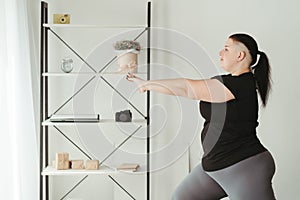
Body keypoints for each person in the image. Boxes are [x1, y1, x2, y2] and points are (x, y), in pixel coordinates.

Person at [126, 33, 276, 200]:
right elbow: (188, 88)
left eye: (226, 49)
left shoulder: (240, 85)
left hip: (243, 166)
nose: (220, 52)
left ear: (240, 55)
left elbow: (187, 88)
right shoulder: (226, 82)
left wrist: (148, 85)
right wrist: (146, 85)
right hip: (215, 166)